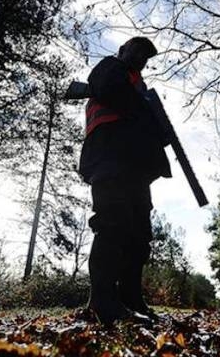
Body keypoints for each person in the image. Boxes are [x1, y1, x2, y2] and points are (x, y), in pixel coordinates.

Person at [79, 37, 171, 326]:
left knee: (140, 235)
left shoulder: (138, 86)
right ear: (123, 51)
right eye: (138, 51)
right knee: (112, 224)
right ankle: (102, 301)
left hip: (135, 166)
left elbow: (145, 125)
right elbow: (113, 92)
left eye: (147, 56)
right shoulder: (109, 68)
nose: (142, 58)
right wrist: (148, 111)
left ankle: (131, 300)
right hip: (109, 158)